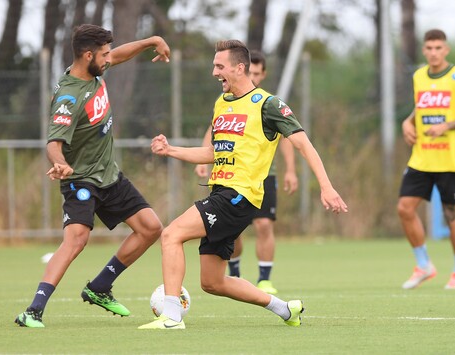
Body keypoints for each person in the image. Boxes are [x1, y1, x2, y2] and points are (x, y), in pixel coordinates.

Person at [139, 40, 348, 330]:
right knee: (212, 282)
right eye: (214, 66)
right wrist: (171, 150)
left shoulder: (268, 104)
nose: (214, 72)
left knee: (171, 234)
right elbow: (214, 153)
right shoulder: (221, 104)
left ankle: (172, 317)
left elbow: (304, 145)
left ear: (239, 68)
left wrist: (326, 186)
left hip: (239, 196)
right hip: (220, 192)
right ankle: (286, 310)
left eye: (219, 66)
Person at [14, 24, 171, 328]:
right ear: (88, 56)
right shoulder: (69, 98)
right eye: (103, 54)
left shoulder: (94, 71)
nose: (109, 58)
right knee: (76, 240)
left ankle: (99, 287)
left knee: (151, 228)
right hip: (81, 179)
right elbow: (53, 144)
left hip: (109, 176)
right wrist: (59, 163)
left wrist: (152, 40)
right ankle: (33, 310)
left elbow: (120, 55)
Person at [194, 50, 298, 294]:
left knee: (263, 225)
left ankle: (264, 278)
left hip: (263, 176)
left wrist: (290, 170)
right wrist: (203, 156)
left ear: (262, 74)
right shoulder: (227, 101)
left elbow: (288, 138)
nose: (255, 76)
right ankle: (236, 272)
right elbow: (216, 131)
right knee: (234, 230)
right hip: (232, 179)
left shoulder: (266, 103)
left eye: (258, 73)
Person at [399, 29, 455, 290]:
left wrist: (447, 126)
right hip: (421, 157)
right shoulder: (419, 76)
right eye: (429, 48)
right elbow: (420, 107)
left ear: (446, 50)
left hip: (450, 159)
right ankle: (424, 265)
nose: (433, 52)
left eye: (438, 48)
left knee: (452, 218)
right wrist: (407, 122)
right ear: (424, 50)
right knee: (404, 208)